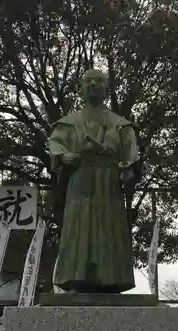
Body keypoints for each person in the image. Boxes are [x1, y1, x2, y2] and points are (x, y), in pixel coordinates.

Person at [49, 69, 140, 293]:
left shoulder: (121, 124)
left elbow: (131, 156)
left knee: (109, 228)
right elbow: (55, 144)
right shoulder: (68, 122)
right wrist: (63, 156)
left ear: (107, 88)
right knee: (78, 226)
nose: (93, 85)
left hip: (109, 183)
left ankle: (111, 280)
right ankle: (76, 278)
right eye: (88, 81)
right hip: (80, 180)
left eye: (98, 81)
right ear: (81, 88)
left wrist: (129, 172)